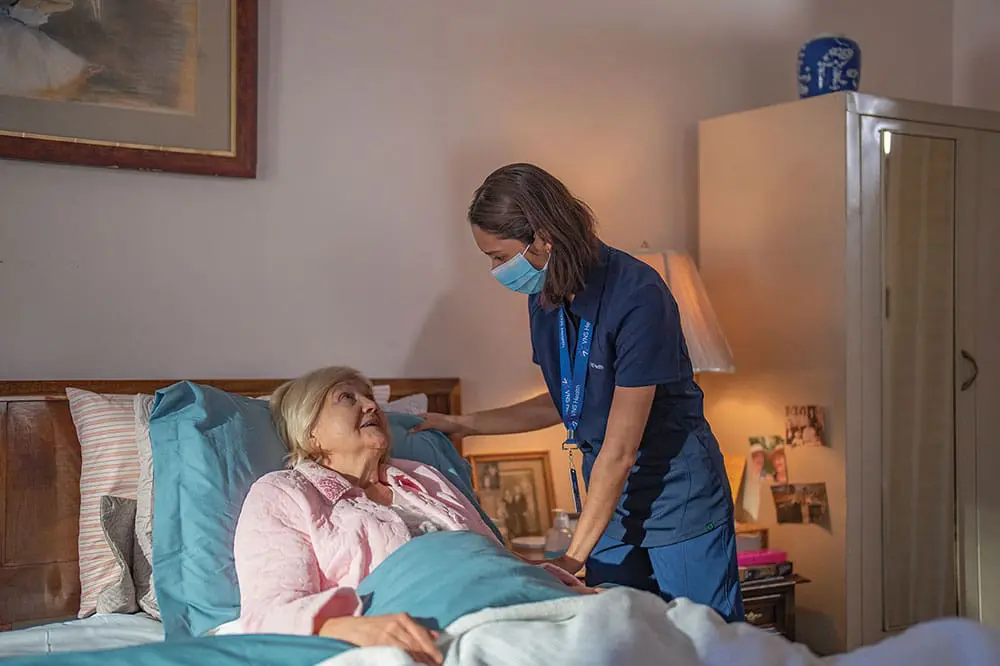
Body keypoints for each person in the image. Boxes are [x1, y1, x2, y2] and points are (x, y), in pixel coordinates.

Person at [415, 163, 744, 623]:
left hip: (677, 497)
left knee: (704, 641)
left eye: (497, 256)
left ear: (544, 237)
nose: (495, 270)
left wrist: (571, 558)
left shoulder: (638, 296)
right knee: (623, 637)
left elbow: (621, 446)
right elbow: (563, 399)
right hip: (608, 503)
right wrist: (464, 424)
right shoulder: (547, 296)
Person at [232, 366, 586, 665]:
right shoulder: (284, 492)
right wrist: (354, 629)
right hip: (426, 631)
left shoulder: (423, 476)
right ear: (310, 431)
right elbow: (268, 615)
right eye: (347, 398)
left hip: (501, 603)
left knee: (623, 611)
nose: (371, 405)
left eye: (368, 397)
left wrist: (562, 585)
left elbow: (493, 558)